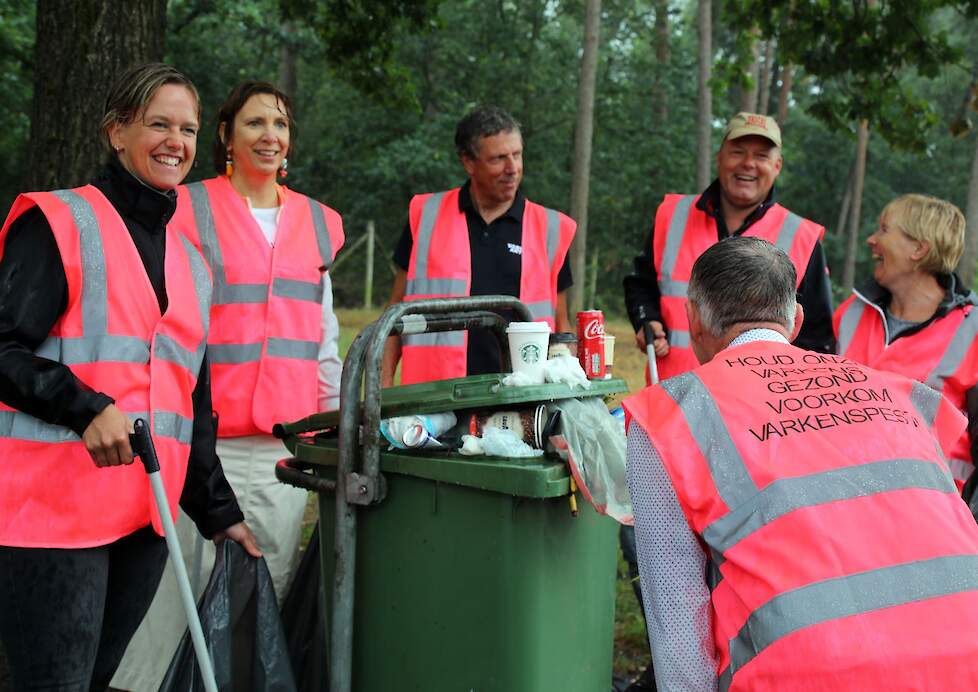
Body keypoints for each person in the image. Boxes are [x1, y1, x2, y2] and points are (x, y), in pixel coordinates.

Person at [0, 62, 259, 691]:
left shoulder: (192, 264)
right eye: (159, 124)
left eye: (189, 129)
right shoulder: (60, 222)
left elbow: (187, 402)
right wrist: (85, 407)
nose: (177, 141)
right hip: (51, 516)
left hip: (145, 517)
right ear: (117, 133)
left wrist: (219, 510)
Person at [623, 236, 978, 691]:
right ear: (796, 320)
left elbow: (678, 629)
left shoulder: (671, 415)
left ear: (692, 321)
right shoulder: (902, 393)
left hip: (807, 673)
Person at [112, 80, 345, 690]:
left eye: (281, 124)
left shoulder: (318, 224)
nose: (270, 135)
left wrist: (335, 426)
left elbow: (322, 342)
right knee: (171, 590)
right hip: (193, 439)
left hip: (281, 448)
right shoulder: (185, 208)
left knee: (263, 589)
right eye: (254, 123)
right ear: (226, 136)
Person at [619, 112, 835, 690]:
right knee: (662, 557)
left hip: (757, 434)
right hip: (677, 423)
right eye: (740, 150)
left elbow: (818, 341)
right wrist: (646, 322)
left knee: (738, 555)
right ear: (720, 155)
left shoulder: (802, 235)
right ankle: (678, 658)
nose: (749, 164)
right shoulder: (671, 215)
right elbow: (641, 281)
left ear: (777, 166)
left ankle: (729, 662)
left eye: (763, 155)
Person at [381, 105, 575, 385]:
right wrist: (382, 390)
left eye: (517, 155)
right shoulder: (426, 216)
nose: (513, 169)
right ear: (468, 162)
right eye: (498, 159)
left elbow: (561, 325)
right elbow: (394, 311)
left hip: (520, 400)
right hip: (433, 401)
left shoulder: (552, 228)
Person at [834, 194, 978, 491]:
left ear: (919, 249)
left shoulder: (973, 328)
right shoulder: (850, 312)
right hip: (843, 504)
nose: (872, 240)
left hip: (934, 516)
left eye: (884, 230)